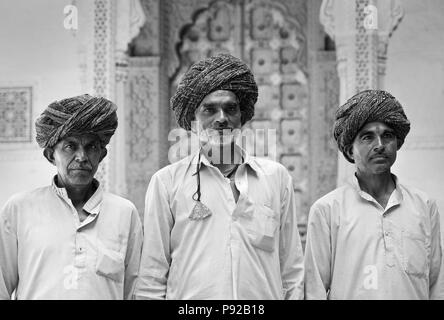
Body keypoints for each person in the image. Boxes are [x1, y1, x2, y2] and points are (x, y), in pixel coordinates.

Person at [134, 53, 304, 299]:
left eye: (230, 109)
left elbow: (291, 269)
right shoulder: (167, 182)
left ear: (241, 115)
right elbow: (151, 274)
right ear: (194, 118)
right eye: (210, 109)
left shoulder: (276, 178)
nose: (222, 118)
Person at [0, 94, 143, 299]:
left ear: (101, 155)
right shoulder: (19, 209)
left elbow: (134, 289)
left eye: (91, 147)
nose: (82, 157)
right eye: (70, 146)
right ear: (51, 155)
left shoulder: (124, 212)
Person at [304, 89, 443, 299]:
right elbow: (314, 290)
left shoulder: (424, 206)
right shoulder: (327, 211)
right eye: (367, 137)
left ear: (397, 143)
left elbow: (436, 285)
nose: (379, 145)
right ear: (350, 151)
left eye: (387, 136)